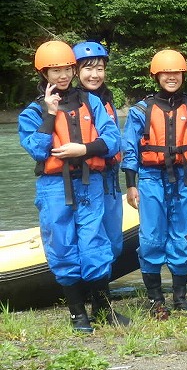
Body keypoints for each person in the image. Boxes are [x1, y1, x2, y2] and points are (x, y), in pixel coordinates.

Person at [18, 40, 127, 332]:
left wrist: (85, 149)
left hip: (89, 184)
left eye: (67, 69)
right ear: (44, 74)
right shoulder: (32, 112)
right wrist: (50, 114)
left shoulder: (91, 101)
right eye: (56, 71)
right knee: (62, 246)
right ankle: (77, 313)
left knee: (95, 245)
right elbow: (38, 151)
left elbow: (113, 139)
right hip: (54, 186)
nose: (63, 75)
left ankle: (103, 309)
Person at [122, 49, 187, 319]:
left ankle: (180, 298)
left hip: (185, 181)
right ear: (156, 75)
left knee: (182, 238)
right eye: (166, 73)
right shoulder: (141, 111)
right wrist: (131, 184)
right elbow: (130, 150)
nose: (171, 77)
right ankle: (155, 299)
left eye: (176, 73)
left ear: (182, 75)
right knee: (151, 238)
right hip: (150, 180)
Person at [73, 41, 124, 262]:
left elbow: (116, 140)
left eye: (100, 69)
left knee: (113, 240)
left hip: (110, 178)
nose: (95, 75)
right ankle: (88, 291)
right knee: (90, 236)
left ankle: (103, 288)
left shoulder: (107, 99)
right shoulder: (70, 101)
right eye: (88, 68)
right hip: (84, 179)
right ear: (76, 71)